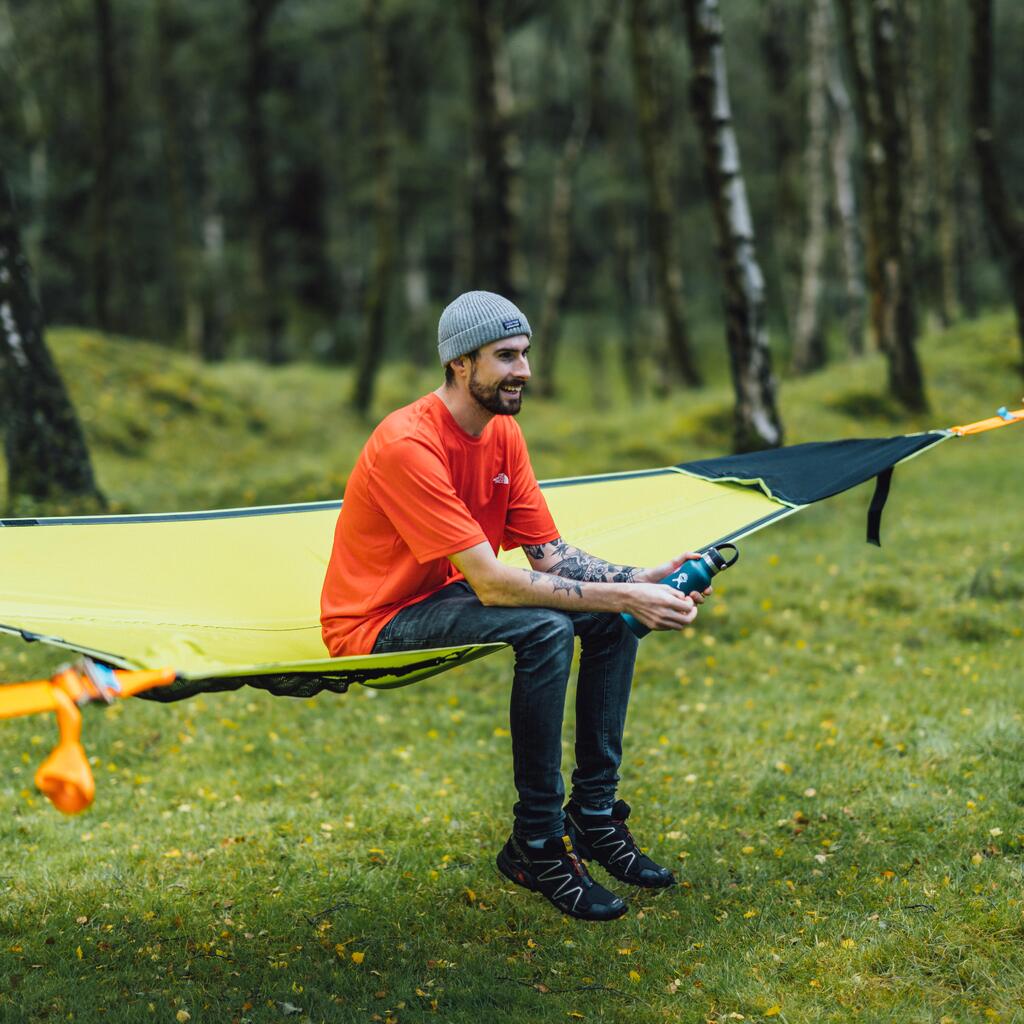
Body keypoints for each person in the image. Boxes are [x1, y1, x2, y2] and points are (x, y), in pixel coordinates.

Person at [321, 291, 710, 921]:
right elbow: (494, 584)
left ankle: (592, 815)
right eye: (505, 356)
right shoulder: (407, 444)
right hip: (375, 619)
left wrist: (642, 578)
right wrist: (625, 594)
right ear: (459, 365)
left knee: (607, 619)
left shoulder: (503, 433)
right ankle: (535, 841)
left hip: (445, 593)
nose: (523, 370)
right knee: (545, 628)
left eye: (525, 354)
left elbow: (549, 557)